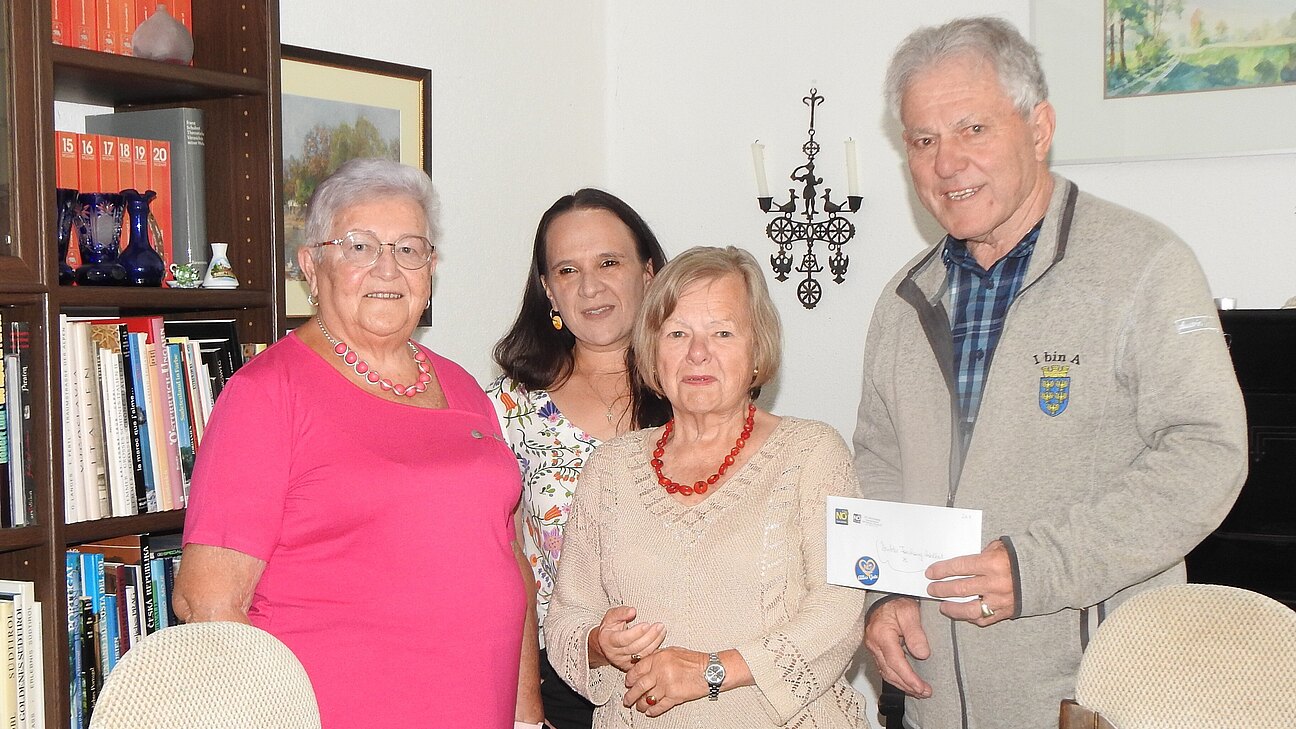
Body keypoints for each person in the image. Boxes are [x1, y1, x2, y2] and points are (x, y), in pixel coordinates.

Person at [853, 17, 1248, 728]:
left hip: (1094, 699)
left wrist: (1036, 568)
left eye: (973, 129)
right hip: (934, 702)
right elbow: (878, 460)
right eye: (923, 140)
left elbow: (1208, 453)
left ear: (1039, 128)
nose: (947, 163)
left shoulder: (1145, 266)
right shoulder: (903, 301)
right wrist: (882, 593)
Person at [173, 158, 539, 728]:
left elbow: (508, 561)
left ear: (431, 268)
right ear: (311, 266)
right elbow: (208, 602)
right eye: (359, 247)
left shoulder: (464, 386)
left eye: (409, 249)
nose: (387, 269)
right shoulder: (267, 394)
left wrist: (526, 716)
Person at [545, 246, 869, 728]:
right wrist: (599, 643)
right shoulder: (609, 469)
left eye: (722, 332)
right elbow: (566, 617)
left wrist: (711, 671)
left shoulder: (813, 453)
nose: (698, 353)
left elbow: (840, 610)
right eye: (677, 333)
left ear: (757, 349)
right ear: (652, 351)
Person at [487, 188, 669, 728]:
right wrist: (527, 706)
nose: (590, 287)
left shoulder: (698, 389)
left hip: (691, 673)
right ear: (548, 289)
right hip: (565, 684)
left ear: (648, 273)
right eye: (568, 270)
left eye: (609, 262)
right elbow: (499, 567)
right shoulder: (507, 409)